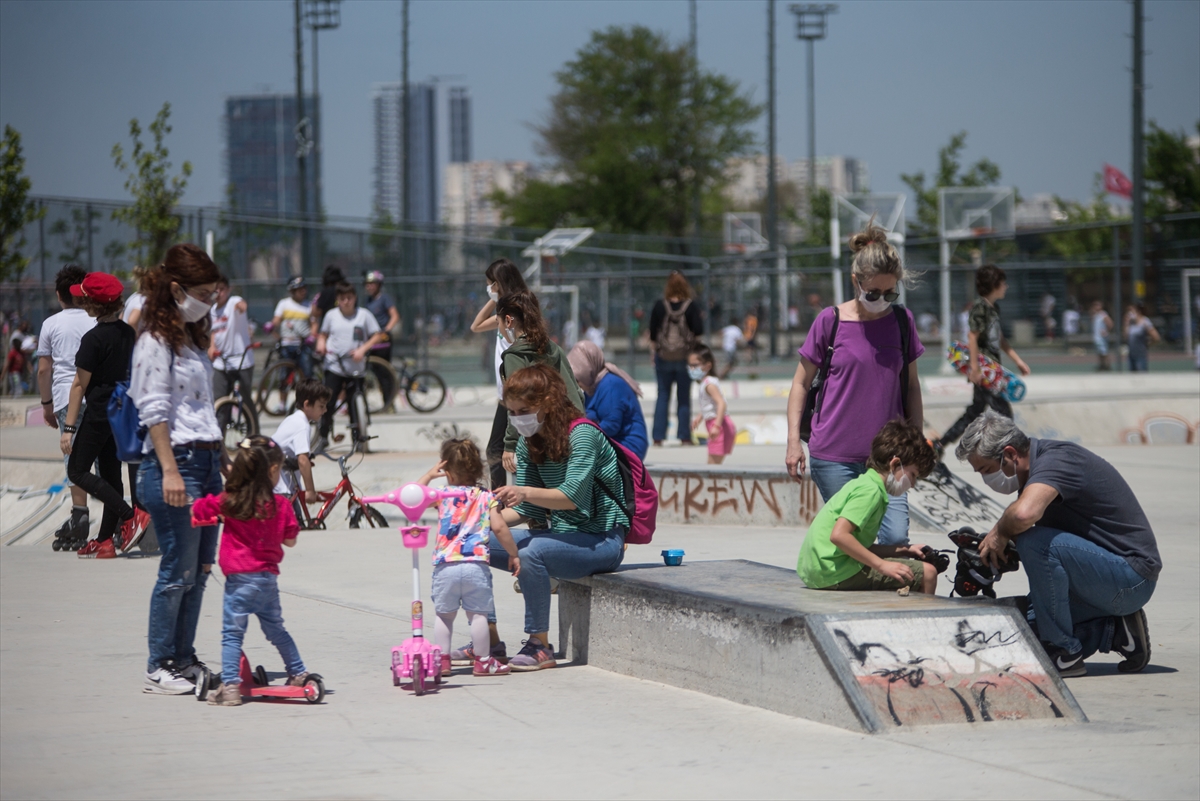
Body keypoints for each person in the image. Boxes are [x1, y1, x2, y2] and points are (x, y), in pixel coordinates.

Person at [956, 411, 1158, 677]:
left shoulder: (1057, 461)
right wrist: (993, 549)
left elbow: (1023, 516)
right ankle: (1116, 630)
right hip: (1100, 579)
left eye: (986, 470)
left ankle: (1064, 652)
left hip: (1130, 577)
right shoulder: (1034, 475)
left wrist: (1001, 533)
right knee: (1018, 628)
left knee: (1034, 542)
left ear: (1009, 454)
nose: (985, 478)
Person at [785, 223, 925, 547]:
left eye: (890, 294)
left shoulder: (903, 322)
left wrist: (915, 439)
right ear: (855, 281)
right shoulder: (830, 321)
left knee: (894, 537)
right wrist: (793, 440)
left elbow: (913, 387)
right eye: (873, 293)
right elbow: (800, 383)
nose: (881, 300)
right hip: (834, 454)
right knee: (853, 540)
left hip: (890, 458)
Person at [489, 364, 629, 672]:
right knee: (471, 542)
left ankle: (540, 645)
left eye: (523, 410)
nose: (516, 420)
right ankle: (488, 638)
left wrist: (524, 492)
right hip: (564, 537)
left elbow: (570, 497)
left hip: (601, 540)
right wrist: (480, 519)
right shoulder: (530, 442)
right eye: (511, 413)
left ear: (548, 403)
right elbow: (531, 511)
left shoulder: (583, 436)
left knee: (531, 552)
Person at [130, 243, 223, 694]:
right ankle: (159, 663)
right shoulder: (153, 341)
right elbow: (154, 410)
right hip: (176, 464)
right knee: (177, 569)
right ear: (176, 289)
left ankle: (183, 657)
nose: (210, 301)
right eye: (204, 292)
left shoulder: (190, 339)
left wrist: (222, 456)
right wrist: (168, 470)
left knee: (202, 569)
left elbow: (199, 407)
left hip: (206, 463)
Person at [192, 436, 312, 706]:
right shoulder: (280, 505)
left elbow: (199, 508)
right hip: (267, 582)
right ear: (271, 471)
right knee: (277, 630)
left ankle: (232, 686)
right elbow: (291, 540)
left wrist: (214, 512)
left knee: (232, 635)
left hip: (239, 583)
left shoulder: (231, 501)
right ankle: (298, 672)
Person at [416, 438, 520, 678]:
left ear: (447, 472)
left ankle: (442, 661)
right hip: (476, 566)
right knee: (478, 615)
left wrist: (430, 475)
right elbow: (501, 528)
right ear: (478, 470)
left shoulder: (442, 494)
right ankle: (483, 662)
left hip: (446, 566)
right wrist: (513, 554)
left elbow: (415, 498)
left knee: (444, 615)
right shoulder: (485, 497)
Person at [798, 421, 938, 593]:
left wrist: (906, 550)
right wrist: (882, 565)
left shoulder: (865, 483)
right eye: (913, 475)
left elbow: (855, 545)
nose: (913, 484)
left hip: (821, 570)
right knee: (928, 573)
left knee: (908, 569)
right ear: (895, 464)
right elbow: (839, 536)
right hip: (836, 572)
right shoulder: (870, 492)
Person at [58, 273, 139, 558]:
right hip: (121, 412)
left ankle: (130, 516)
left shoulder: (92, 339)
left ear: (92, 304)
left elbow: (79, 384)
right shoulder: (129, 333)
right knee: (110, 475)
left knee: (76, 470)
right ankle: (105, 540)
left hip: (98, 413)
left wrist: (68, 429)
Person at [935, 264, 1030, 451]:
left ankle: (941, 444)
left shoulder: (994, 308)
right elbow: (972, 337)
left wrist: (1017, 360)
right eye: (1003, 283)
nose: (1006, 287)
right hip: (985, 372)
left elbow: (999, 339)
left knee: (975, 412)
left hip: (994, 370)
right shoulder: (979, 307)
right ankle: (1015, 450)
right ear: (994, 285)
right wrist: (974, 369)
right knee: (1003, 412)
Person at [494, 291, 586, 475]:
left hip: (541, 438)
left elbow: (517, 402)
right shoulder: (553, 348)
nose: (500, 329)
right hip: (573, 429)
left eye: (499, 323)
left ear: (509, 321)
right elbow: (576, 391)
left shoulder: (515, 356)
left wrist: (510, 445)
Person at [36, 265, 95, 551]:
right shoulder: (97, 320)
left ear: (60, 296)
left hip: (63, 398)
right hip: (95, 395)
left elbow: (43, 370)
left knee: (74, 458)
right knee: (100, 456)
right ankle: (115, 514)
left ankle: (80, 515)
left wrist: (46, 406)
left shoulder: (50, 324)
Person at [470, 259, 531, 490]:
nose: (488, 289)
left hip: (514, 393)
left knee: (499, 450)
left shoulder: (515, 312)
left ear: (498, 283)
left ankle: (503, 501)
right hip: (505, 396)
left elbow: (515, 342)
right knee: (498, 450)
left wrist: (501, 305)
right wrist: (495, 300)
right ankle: (504, 500)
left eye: (490, 285)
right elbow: (475, 327)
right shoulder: (506, 311)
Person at [314, 282, 386, 453]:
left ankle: (357, 438)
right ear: (337, 300)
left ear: (355, 298)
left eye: (349, 298)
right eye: (342, 299)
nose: (346, 302)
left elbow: (378, 335)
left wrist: (362, 349)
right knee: (328, 403)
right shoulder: (331, 315)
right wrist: (321, 344)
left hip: (356, 368)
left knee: (355, 403)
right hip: (335, 365)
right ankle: (323, 436)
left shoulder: (364, 315)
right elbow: (323, 334)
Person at [648, 270, 703, 447]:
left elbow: (653, 334)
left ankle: (658, 437)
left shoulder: (659, 305)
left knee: (663, 396)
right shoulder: (691, 306)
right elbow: (698, 332)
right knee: (684, 397)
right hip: (685, 357)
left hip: (663, 356)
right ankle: (684, 437)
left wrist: (653, 354)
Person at [567, 340, 647, 459]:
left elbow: (611, 425)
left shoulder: (610, 385)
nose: (577, 384)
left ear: (588, 370)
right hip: (611, 442)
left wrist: (581, 436)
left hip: (628, 446)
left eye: (578, 379)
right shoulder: (592, 387)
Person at [272, 378, 330, 507]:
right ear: (307, 404)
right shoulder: (302, 425)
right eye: (321, 406)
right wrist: (310, 491)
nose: (325, 410)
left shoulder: (292, 419)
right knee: (296, 525)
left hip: (278, 485)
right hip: (282, 489)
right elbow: (303, 460)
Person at [209, 275, 256, 424]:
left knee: (246, 401)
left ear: (228, 290)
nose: (218, 293)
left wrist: (240, 307)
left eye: (222, 289)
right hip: (222, 362)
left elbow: (242, 305)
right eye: (215, 290)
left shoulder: (233, 302)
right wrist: (212, 346)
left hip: (241, 360)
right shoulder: (212, 311)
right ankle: (220, 438)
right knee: (219, 402)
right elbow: (213, 332)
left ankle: (253, 433)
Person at [688, 344, 734, 465]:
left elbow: (721, 403)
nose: (691, 369)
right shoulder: (705, 383)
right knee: (714, 465)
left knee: (712, 466)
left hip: (719, 425)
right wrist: (699, 417)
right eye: (690, 365)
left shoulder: (709, 384)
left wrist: (717, 426)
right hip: (717, 424)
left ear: (707, 366)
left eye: (695, 365)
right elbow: (709, 405)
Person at [363, 270, 400, 411]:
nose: (369, 286)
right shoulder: (368, 301)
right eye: (368, 284)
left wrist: (386, 330)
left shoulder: (384, 299)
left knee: (385, 373)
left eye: (372, 284)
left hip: (383, 340)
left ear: (379, 285)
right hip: (372, 340)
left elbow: (395, 316)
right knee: (376, 372)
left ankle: (389, 403)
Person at [271, 276, 314, 377]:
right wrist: (271, 327)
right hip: (286, 344)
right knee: (284, 377)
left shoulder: (309, 305)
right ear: (292, 291)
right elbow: (276, 320)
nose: (303, 291)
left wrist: (312, 336)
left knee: (307, 373)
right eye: (300, 289)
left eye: (304, 288)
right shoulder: (284, 304)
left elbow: (314, 324)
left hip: (303, 344)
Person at [1124, 303, 1159, 372]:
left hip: (1140, 354)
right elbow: (1126, 337)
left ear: (1138, 312)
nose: (1129, 314)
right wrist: (1126, 323)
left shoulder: (1145, 322)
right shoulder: (1131, 324)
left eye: (1131, 312)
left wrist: (1148, 344)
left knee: (1142, 374)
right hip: (1131, 354)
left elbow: (1156, 337)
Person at [310, 264, 345, 332]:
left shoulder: (323, 293)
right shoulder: (345, 292)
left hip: (327, 327)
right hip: (343, 324)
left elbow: (316, 313)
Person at [1090, 300, 1114, 371]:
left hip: (1102, 337)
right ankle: (1102, 365)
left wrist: (1106, 331)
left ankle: (1108, 365)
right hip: (1097, 337)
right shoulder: (1095, 315)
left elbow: (1110, 323)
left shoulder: (1103, 314)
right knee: (1100, 353)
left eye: (1098, 305)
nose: (1096, 307)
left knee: (1104, 352)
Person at [718, 315, 743, 379]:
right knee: (731, 363)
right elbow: (738, 340)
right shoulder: (737, 330)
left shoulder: (728, 328)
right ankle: (722, 374)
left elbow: (720, 332)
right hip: (731, 348)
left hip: (726, 347)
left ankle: (725, 373)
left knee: (733, 362)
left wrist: (721, 341)